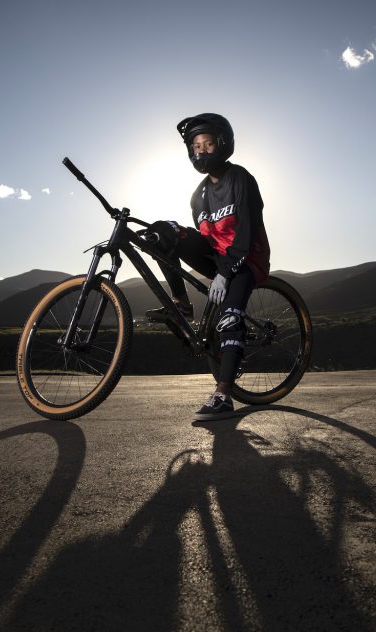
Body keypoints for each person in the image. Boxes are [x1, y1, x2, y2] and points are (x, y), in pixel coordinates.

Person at [146, 113, 271, 421]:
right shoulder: (198, 195)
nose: (201, 151)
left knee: (228, 320)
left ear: (223, 144)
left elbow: (247, 232)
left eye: (208, 143)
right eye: (196, 146)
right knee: (162, 232)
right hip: (217, 259)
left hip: (246, 259)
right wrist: (157, 239)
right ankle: (181, 303)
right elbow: (203, 238)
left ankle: (223, 395)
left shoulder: (240, 177)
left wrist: (227, 272)